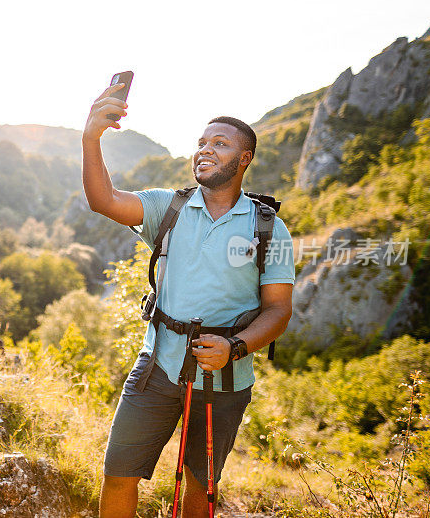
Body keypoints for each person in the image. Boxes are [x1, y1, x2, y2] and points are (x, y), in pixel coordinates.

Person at [82, 84, 294, 518]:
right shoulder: (169, 207)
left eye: (220, 143)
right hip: (156, 366)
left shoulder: (271, 229)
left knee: (201, 488)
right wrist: (91, 137)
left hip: (225, 380)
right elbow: (102, 200)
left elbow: (278, 311)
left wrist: (234, 347)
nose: (205, 150)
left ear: (244, 158)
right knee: (118, 472)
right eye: (200, 143)